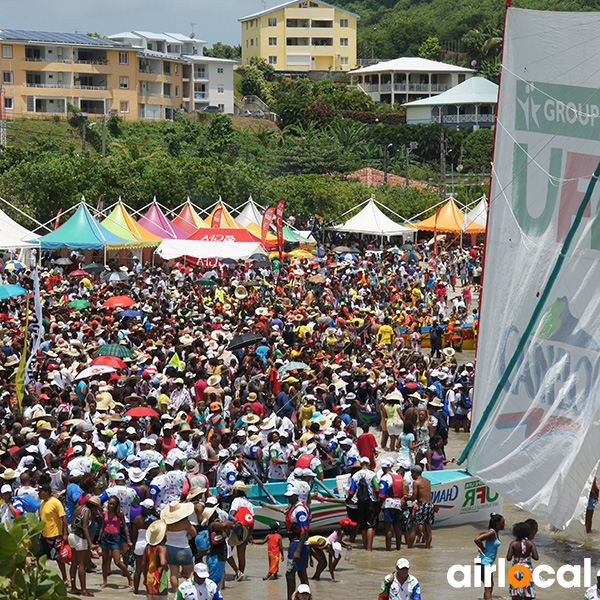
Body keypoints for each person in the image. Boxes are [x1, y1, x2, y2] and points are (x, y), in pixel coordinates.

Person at [69, 495, 102, 596]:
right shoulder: (87, 511)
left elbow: (73, 523)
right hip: (80, 537)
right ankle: (84, 590)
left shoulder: (78, 508)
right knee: (82, 565)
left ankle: (73, 587)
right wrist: (90, 543)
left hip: (72, 535)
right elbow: (84, 527)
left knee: (74, 563)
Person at [160, 501, 197, 593]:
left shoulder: (166, 524)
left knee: (173, 573)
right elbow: (194, 534)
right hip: (183, 548)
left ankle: (176, 593)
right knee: (189, 572)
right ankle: (188, 591)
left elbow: (163, 536)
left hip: (169, 548)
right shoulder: (185, 523)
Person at [99, 495, 133, 589]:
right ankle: (104, 581)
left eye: (113, 504)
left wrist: (128, 539)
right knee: (105, 561)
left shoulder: (120, 513)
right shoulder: (105, 513)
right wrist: (99, 539)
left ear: (116, 505)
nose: (111, 506)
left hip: (115, 537)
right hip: (105, 536)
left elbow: (125, 526)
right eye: (110, 503)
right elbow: (102, 526)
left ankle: (129, 578)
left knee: (117, 561)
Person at [346, 456, 379, 552]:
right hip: (371, 502)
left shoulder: (355, 475)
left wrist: (348, 500)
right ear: (368, 464)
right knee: (371, 525)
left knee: (363, 525)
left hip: (360, 503)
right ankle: (369, 548)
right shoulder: (372, 474)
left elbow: (351, 491)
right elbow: (377, 489)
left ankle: (364, 546)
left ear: (360, 465)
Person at [284, 485, 310, 600]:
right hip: (294, 543)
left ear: (296, 496)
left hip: (298, 544)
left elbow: (304, 532)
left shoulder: (300, 510)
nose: (288, 498)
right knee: (300, 572)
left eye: (291, 496)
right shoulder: (293, 507)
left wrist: (298, 551)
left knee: (290, 574)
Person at [38, 484, 68, 582]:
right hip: (44, 534)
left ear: (46, 492)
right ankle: (41, 578)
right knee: (39, 557)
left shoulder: (55, 502)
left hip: (54, 535)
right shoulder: (42, 503)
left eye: (40, 492)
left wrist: (65, 533)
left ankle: (65, 578)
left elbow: (63, 517)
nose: (38, 494)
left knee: (59, 559)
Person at [474, 513, 505, 600]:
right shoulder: (492, 533)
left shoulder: (492, 532)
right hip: (484, 563)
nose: (504, 525)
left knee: (490, 586)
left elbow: (481, 536)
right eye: (502, 522)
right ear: (496, 523)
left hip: (483, 562)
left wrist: (483, 545)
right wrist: (482, 548)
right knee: (488, 587)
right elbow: (477, 539)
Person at [506, 521, 538, 599]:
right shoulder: (530, 543)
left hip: (515, 570)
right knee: (528, 593)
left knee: (516, 594)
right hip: (526, 570)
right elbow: (536, 557)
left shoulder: (513, 544)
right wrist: (528, 554)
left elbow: (508, 558)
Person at [407, 465, 434, 549]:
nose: (411, 475)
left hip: (422, 505)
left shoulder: (416, 482)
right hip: (430, 505)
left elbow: (414, 497)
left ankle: (409, 548)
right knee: (428, 529)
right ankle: (427, 547)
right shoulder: (427, 481)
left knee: (414, 528)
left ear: (415, 473)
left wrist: (406, 497)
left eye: (412, 473)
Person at [142, 519, 169, 600]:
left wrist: (145, 578)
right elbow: (163, 563)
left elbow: (143, 564)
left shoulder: (147, 548)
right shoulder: (161, 548)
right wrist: (166, 568)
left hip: (149, 578)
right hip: (159, 579)